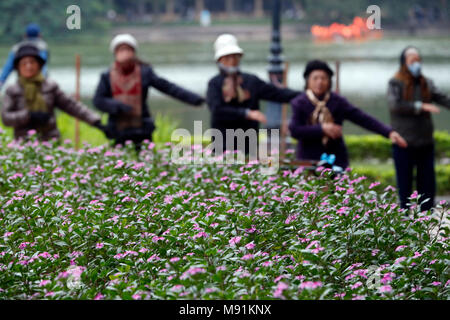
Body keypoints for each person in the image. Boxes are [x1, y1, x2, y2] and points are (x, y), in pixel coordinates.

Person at [289, 59, 407, 169]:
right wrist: (322, 129)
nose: (319, 82)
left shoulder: (337, 102)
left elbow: (363, 119)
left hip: (336, 160)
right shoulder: (300, 102)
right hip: (308, 160)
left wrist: (388, 132)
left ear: (329, 81)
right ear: (308, 81)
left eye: (323, 78)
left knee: (338, 190)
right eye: (315, 78)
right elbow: (294, 130)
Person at [93, 34, 205, 148]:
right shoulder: (106, 76)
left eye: (127, 49)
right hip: (117, 130)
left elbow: (168, 88)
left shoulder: (144, 72)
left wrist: (195, 99)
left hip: (142, 129)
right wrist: (117, 106)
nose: (125, 53)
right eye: (121, 50)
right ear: (115, 53)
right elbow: (98, 100)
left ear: (133, 52)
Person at [206, 34, 300, 154]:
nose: (232, 61)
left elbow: (277, 94)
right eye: (227, 58)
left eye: (235, 57)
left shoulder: (250, 81)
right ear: (219, 61)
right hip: (222, 145)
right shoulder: (215, 84)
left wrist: (307, 95)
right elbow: (217, 110)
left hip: (248, 145)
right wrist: (247, 113)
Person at [387, 46, 450, 211]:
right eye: (412, 61)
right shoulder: (395, 82)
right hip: (403, 142)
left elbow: (443, 98)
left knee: (428, 184)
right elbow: (395, 105)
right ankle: (405, 220)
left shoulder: (426, 83)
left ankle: (427, 222)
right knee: (405, 184)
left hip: (425, 142)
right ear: (404, 63)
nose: (416, 64)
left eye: (418, 60)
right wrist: (421, 106)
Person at [1, 44, 104, 141]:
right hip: (22, 142)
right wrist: (29, 115)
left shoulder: (50, 87)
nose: (29, 66)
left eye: (32, 62)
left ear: (39, 65)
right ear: (18, 68)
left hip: (50, 140)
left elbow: (72, 106)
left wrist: (95, 121)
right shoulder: (12, 90)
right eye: (24, 63)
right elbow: (6, 118)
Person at [0, 23, 49, 90]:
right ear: (39, 35)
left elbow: (7, 68)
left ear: (25, 35)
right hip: (38, 82)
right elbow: (43, 67)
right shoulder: (42, 47)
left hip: (22, 82)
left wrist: (1, 83)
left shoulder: (16, 48)